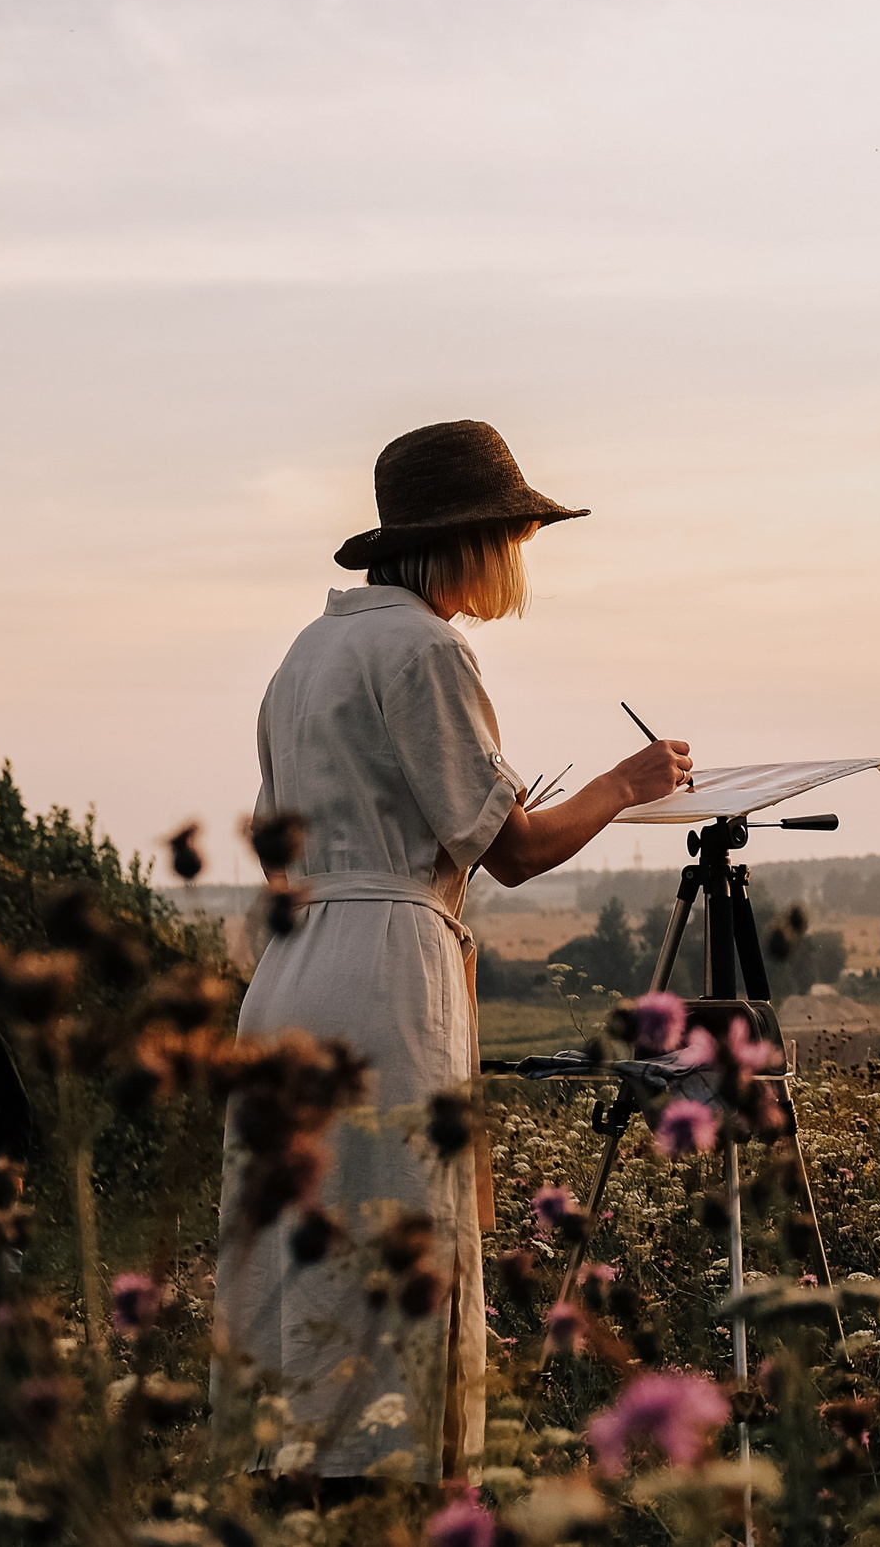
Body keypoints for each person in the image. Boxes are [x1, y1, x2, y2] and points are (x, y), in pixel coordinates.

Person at [213, 421, 690, 1487]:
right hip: (385, 967)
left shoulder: (309, 651)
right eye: (513, 536)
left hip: (290, 967)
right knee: (396, 1229)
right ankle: (395, 1487)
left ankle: (295, 1473)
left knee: (304, 1239)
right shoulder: (427, 648)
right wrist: (625, 783)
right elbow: (511, 849)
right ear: (468, 541)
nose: (518, 560)